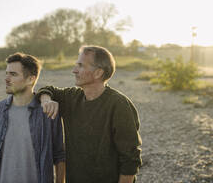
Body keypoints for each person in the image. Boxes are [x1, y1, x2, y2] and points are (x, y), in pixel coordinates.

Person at [39, 45, 142, 183]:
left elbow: (130, 159)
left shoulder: (119, 105)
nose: (74, 70)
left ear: (98, 73)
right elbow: (47, 89)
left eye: (80, 66)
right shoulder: (72, 97)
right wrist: (46, 100)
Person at [0, 52, 65, 183]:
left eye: (13, 74)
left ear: (30, 79)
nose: (6, 79)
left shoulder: (47, 112)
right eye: (6, 73)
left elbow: (59, 155)